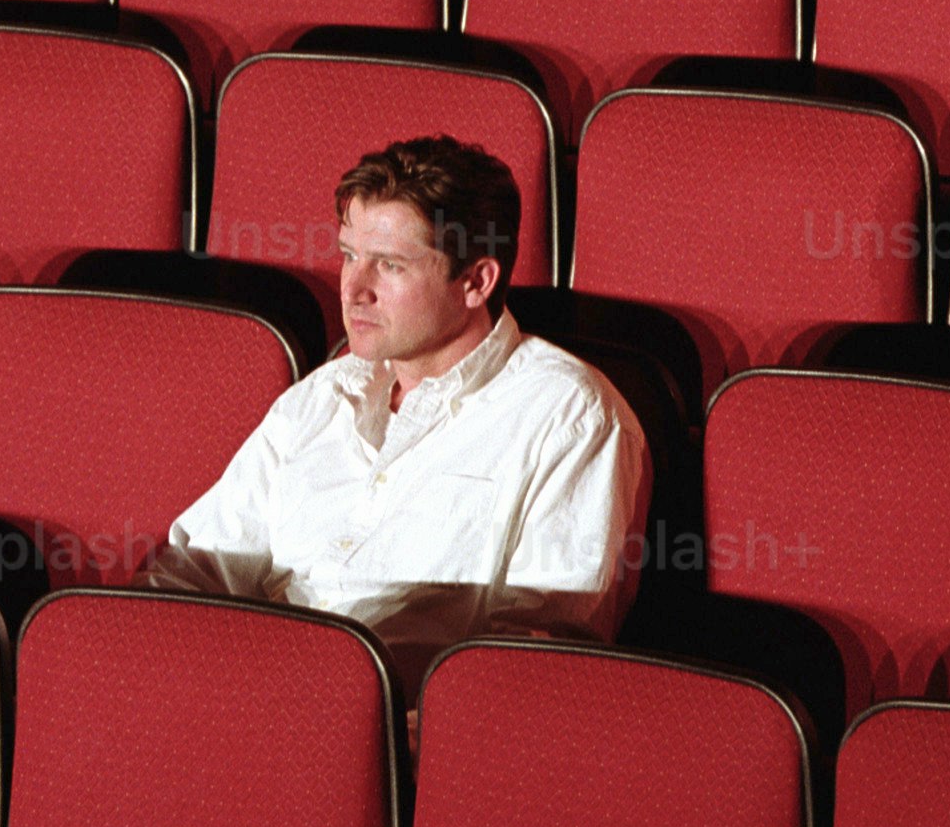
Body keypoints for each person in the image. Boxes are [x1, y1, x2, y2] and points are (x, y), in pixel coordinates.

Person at [150, 136, 645, 687]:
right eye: (349, 256)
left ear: (476, 281)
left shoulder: (570, 416)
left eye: (389, 265)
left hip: (404, 744)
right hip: (247, 693)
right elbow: (196, 567)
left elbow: (533, 660)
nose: (354, 289)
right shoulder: (325, 393)